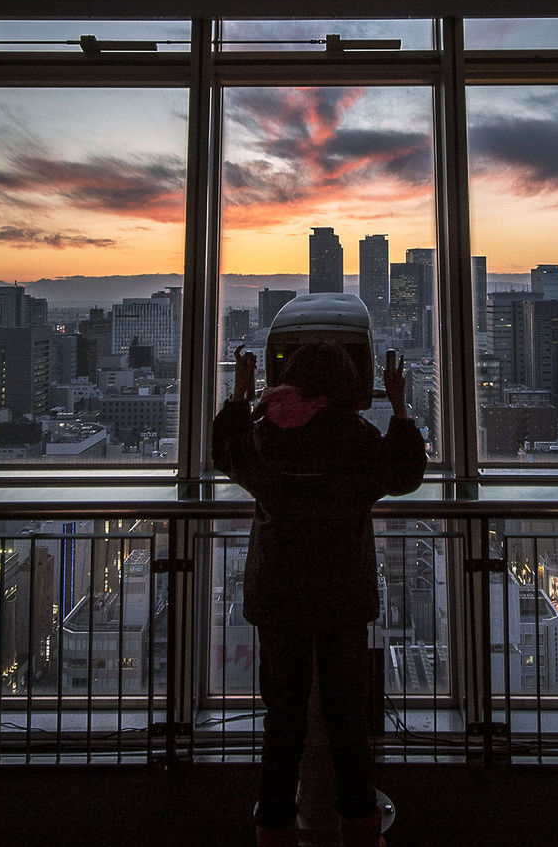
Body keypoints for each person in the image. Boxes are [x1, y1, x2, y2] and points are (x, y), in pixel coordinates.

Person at [213, 340, 426, 847]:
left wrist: (240, 398)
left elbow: (226, 453)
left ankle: (275, 829)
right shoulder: (356, 439)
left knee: (282, 721)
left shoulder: (266, 437)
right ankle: (359, 826)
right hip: (342, 597)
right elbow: (405, 474)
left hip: (279, 597)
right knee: (347, 720)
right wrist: (399, 407)